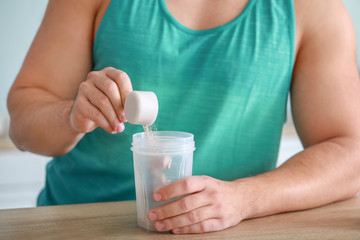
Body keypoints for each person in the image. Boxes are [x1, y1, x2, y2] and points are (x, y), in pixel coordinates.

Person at [7, 0, 360, 234]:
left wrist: (245, 198)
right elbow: (24, 125)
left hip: (229, 231)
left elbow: (351, 152)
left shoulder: (313, 9)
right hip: (84, 227)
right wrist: (72, 116)